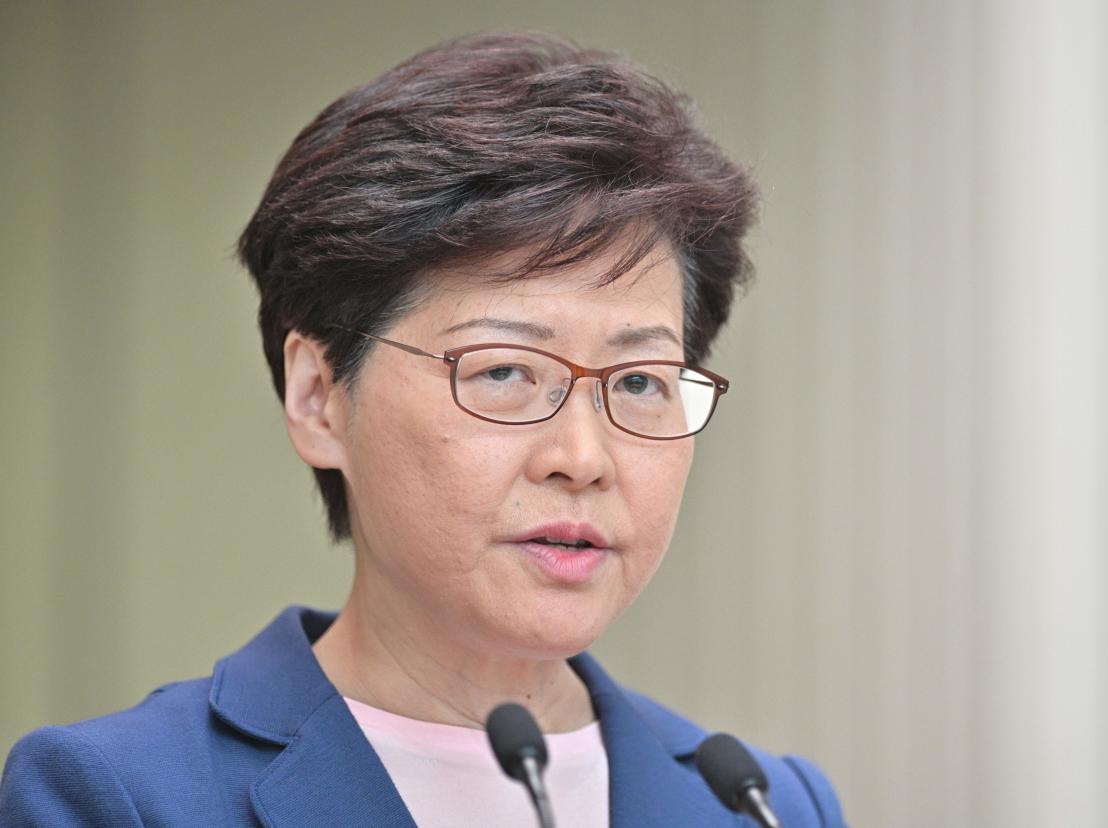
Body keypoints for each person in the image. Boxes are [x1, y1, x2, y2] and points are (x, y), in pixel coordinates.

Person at [0, 31, 847, 827]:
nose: (582, 459)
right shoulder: (125, 797)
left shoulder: (763, 805)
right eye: (506, 373)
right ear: (318, 396)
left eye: (637, 382)